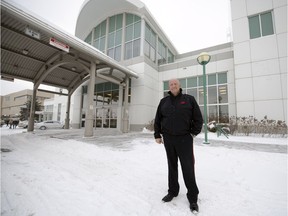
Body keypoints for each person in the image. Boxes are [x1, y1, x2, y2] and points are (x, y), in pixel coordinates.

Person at [154, 78, 203, 213]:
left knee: (188, 167)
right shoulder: (164, 102)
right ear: (168, 87)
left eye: (175, 84)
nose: (173, 86)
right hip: (168, 139)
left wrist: (192, 134)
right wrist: (157, 135)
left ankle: (193, 198)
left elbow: (198, 119)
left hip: (184, 139)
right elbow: (158, 119)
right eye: (171, 84)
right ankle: (173, 191)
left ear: (179, 86)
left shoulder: (189, 99)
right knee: (172, 165)